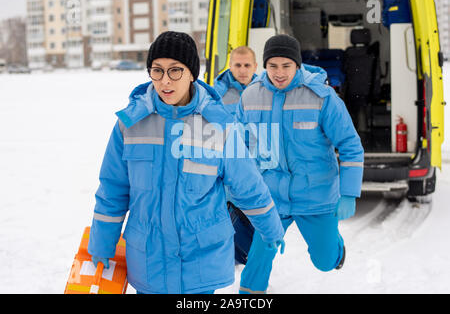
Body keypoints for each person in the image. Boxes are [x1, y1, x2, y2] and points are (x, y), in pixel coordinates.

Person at [87, 31, 285, 294]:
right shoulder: (130, 124)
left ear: (192, 73)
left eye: (175, 71)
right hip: (148, 261)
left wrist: (271, 228)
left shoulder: (219, 126)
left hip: (200, 264)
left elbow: (248, 185)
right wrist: (101, 243)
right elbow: (113, 189)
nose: (165, 81)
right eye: (157, 71)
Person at [236, 34, 364, 294]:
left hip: (316, 196)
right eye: (273, 66)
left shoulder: (322, 97)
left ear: (297, 65)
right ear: (265, 66)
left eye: (286, 65)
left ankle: (334, 248)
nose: (279, 73)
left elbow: (350, 145)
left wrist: (349, 193)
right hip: (270, 198)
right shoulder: (250, 96)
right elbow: (238, 149)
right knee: (258, 259)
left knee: (325, 262)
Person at [214, 46, 258, 117]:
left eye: (247, 65)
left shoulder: (266, 92)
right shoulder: (216, 94)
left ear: (255, 67)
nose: (242, 71)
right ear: (230, 66)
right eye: (238, 65)